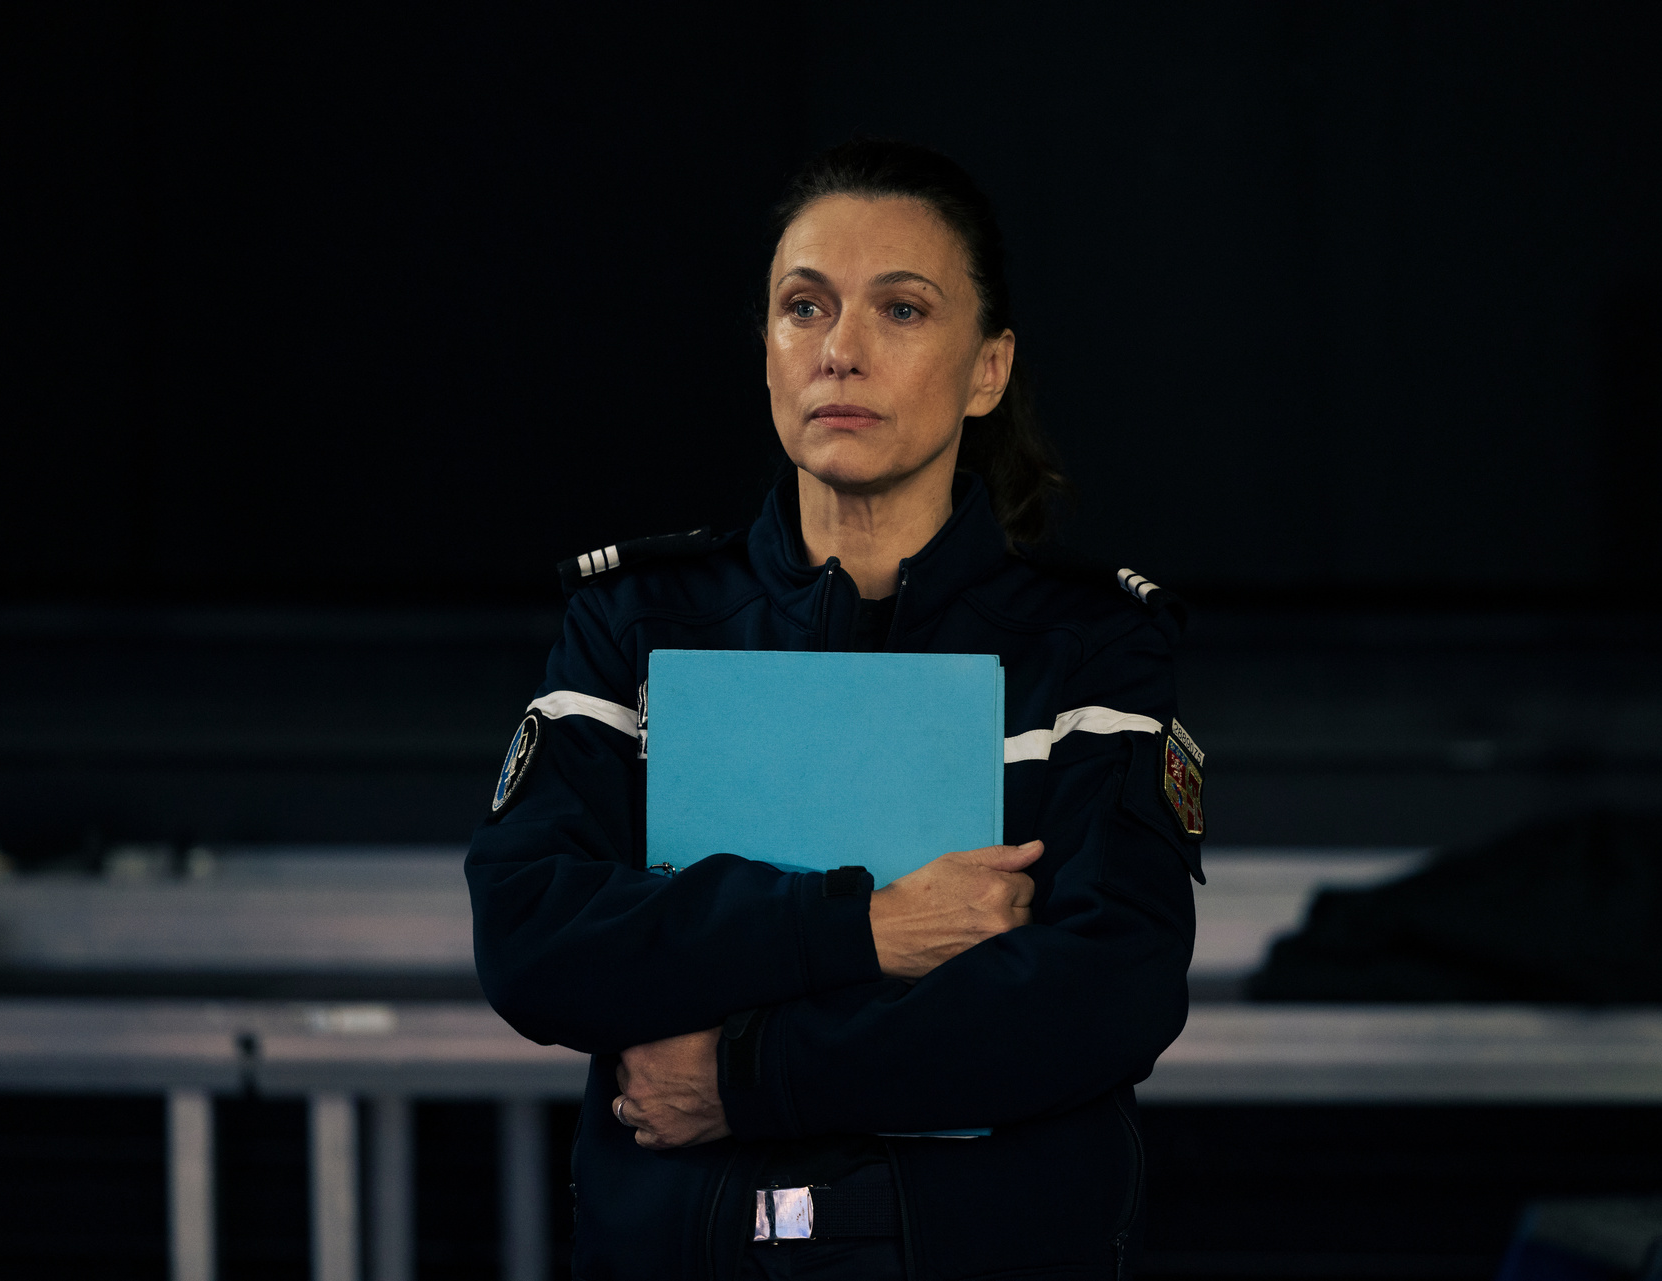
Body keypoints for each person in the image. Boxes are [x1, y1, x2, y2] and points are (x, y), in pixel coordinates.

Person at [468, 138, 1203, 1280]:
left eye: (901, 310)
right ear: (767, 354)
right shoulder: (635, 622)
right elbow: (534, 938)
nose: (840, 350)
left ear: (988, 370)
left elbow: (1107, 990)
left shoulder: (1090, 645)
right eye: (804, 307)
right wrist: (868, 929)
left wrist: (748, 1076)